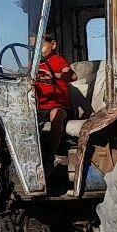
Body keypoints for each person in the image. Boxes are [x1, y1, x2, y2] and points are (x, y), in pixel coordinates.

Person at [35, 33, 74, 171]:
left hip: (59, 106)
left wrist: (54, 75)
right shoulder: (33, 65)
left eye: (42, 45)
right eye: (34, 47)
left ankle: (50, 156)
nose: (38, 50)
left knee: (55, 115)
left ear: (53, 44)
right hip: (39, 107)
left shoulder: (58, 60)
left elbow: (72, 75)